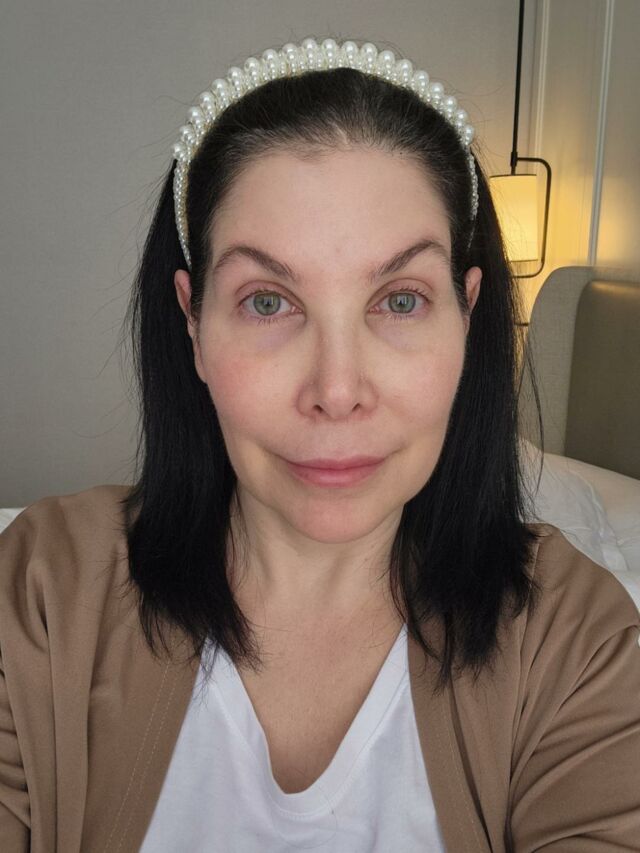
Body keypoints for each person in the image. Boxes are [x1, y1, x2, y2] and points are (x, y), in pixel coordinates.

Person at [0, 35, 639, 853]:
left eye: (400, 300)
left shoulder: (575, 640)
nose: (337, 390)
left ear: (467, 314)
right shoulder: (43, 591)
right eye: (268, 302)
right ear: (193, 322)